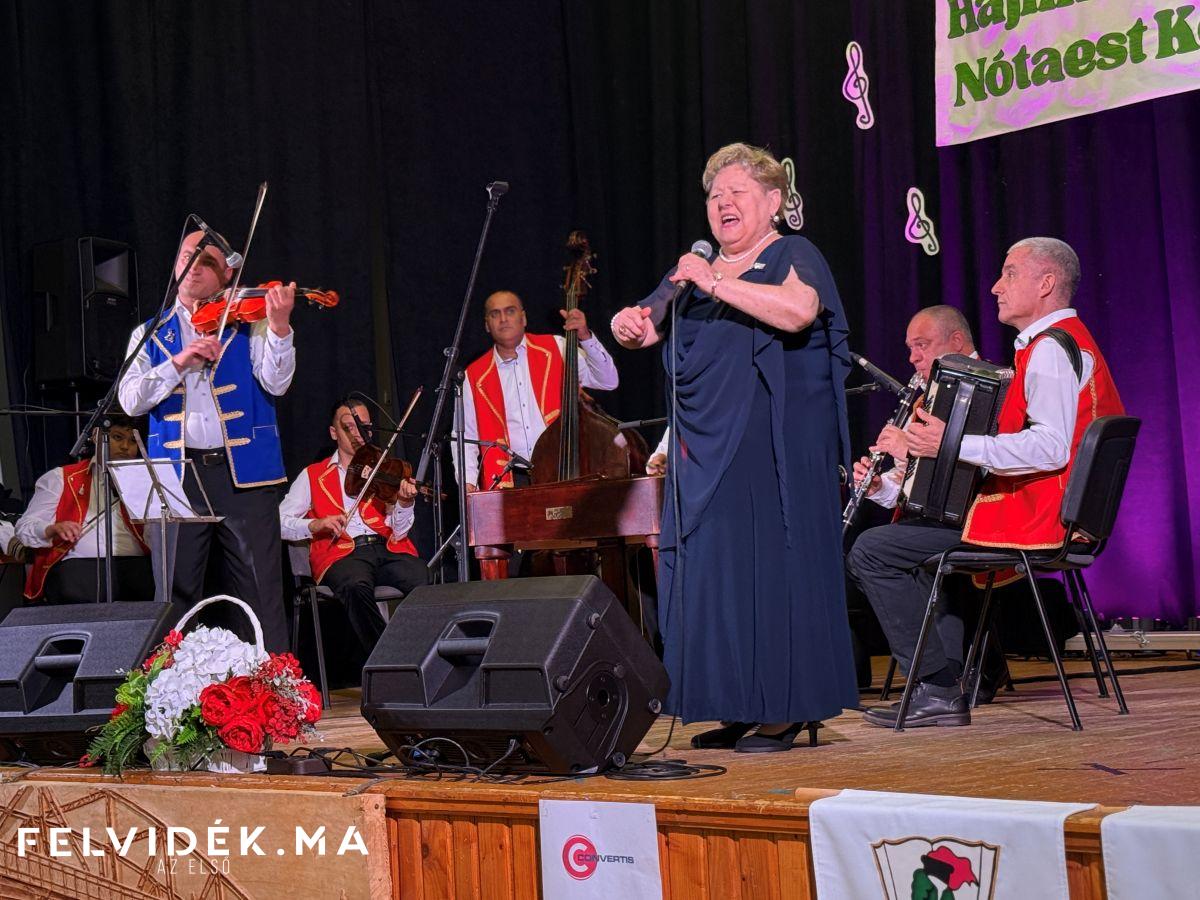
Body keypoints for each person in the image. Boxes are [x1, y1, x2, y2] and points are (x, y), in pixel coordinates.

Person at [610, 142, 860, 752]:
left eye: (736, 192)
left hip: (774, 451)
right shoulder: (695, 268)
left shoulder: (792, 254)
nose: (722, 202)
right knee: (718, 576)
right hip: (707, 454)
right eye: (714, 195)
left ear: (772, 201)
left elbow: (798, 312)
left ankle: (787, 708)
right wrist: (628, 324)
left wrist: (717, 281)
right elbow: (645, 325)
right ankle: (738, 703)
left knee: (773, 572)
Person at [847, 237, 1123, 728]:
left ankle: (938, 687)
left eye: (1010, 273)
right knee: (904, 542)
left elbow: (1050, 447)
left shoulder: (1050, 349)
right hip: (1041, 512)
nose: (996, 286)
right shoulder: (1060, 343)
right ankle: (949, 678)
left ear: (1046, 283)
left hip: (1038, 519)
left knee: (873, 550)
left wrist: (949, 444)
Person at [118, 230, 295, 651]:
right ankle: (168, 686)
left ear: (228, 274)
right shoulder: (150, 333)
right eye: (186, 257)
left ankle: (274, 685)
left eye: (207, 262)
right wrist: (179, 362)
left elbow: (278, 383)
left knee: (260, 591)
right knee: (174, 595)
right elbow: (130, 399)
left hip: (243, 474)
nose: (193, 268)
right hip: (178, 476)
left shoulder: (250, 324)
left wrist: (279, 326)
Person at [279, 397, 428, 653]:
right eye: (348, 427)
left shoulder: (383, 471)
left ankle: (419, 654)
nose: (358, 434)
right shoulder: (313, 475)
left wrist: (404, 503)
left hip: (386, 549)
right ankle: (387, 658)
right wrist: (315, 524)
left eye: (364, 427)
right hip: (342, 554)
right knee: (355, 585)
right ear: (334, 433)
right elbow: (280, 522)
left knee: (422, 578)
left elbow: (400, 531)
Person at [456, 290, 619, 490]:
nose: (503, 319)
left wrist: (585, 337)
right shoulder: (474, 375)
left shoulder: (557, 347)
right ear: (487, 325)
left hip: (564, 470)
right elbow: (465, 437)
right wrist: (467, 482)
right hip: (512, 482)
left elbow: (608, 381)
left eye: (510, 311)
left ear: (523, 318)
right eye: (495, 314)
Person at [16, 415, 154, 604]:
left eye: (133, 441)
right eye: (117, 437)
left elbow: (154, 540)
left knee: (148, 582)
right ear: (96, 436)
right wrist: (51, 529)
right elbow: (24, 528)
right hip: (78, 569)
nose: (125, 447)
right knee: (72, 583)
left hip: (134, 568)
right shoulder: (60, 478)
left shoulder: (147, 482)